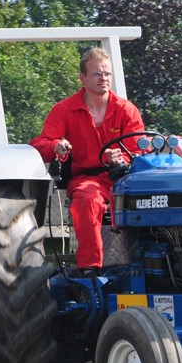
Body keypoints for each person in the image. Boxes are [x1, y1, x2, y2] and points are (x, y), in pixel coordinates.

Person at [30, 47, 145, 276]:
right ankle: (90, 269)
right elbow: (40, 143)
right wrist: (56, 146)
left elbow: (139, 149)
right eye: (97, 74)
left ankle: (151, 263)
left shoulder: (126, 110)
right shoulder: (64, 110)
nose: (104, 79)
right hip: (89, 179)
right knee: (87, 199)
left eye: (107, 74)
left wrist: (121, 158)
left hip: (126, 178)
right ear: (82, 78)